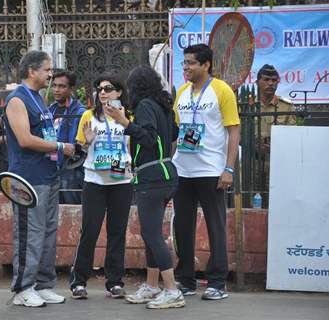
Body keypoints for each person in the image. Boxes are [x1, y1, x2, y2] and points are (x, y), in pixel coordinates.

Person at [105, 66, 184, 309]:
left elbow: (149, 138)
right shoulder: (163, 106)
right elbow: (173, 134)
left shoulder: (145, 107)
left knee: (151, 235)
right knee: (151, 234)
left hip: (152, 177)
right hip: (166, 173)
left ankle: (172, 290)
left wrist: (124, 122)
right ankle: (151, 285)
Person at [5, 50, 75, 307]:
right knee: (29, 234)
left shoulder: (38, 98)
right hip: (27, 179)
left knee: (47, 233)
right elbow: (24, 139)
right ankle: (22, 288)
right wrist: (59, 146)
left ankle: (43, 284)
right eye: (47, 70)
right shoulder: (17, 100)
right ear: (32, 71)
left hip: (48, 175)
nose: (50, 74)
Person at [172, 44, 240, 300]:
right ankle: (186, 279)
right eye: (184, 63)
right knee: (182, 226)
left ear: (206, 65)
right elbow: (178, 131)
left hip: (212, 169)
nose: (186, 68)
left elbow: (233, 130)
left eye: (190, 63)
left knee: (215, 225)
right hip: (182, 169)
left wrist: (229, 168)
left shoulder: (222, 90)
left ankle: (217, 282)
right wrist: (170, 162)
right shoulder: (182, 92)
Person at [69, 72, 133, 300]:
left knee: (117, 232)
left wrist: (126, 122)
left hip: (121, 181)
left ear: (119, 92)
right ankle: (78, 281)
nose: (102, 93)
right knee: (90, 231)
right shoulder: (88, 116)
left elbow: (135, 145)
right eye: (99, 89)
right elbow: (79, 151)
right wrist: (85, 142)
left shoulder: (128, 117)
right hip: (95, 181)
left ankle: (114, 281)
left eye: (107, 88)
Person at [256, 64, 296, 198]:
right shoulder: (246, 104)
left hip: (278, 161)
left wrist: (276, 144)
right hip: (252, 160)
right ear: (257, 82)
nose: (270, 83)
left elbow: (293, 136)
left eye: (274, 80)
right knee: (249, 198)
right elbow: (236, 133)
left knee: (277, 198)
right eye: (266, 79)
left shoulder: (286, 106)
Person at [49, 70, 86, 204]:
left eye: (62, 86)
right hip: (51, 167)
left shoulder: (79, 112)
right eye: (54, 85)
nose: (57, 90)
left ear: (71, 89)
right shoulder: (50, 110)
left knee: (72, 208)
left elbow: (79, 144)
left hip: (71, 170)